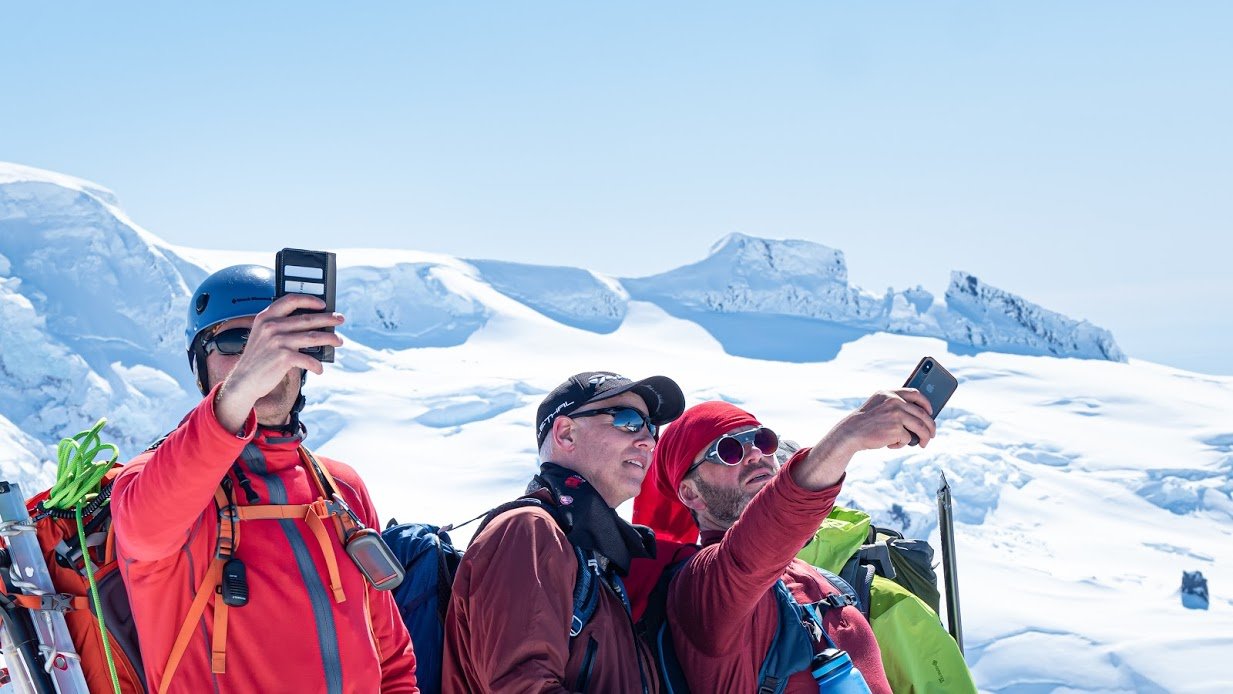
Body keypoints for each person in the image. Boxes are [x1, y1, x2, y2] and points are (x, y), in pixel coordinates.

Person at [112, 264, 418, 693]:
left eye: (279, 341)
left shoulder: (340, 488)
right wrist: (240, 391)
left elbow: (390, 657)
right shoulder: (152, 480)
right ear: (200, 368)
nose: (262, 359)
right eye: (237, 342)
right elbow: (143, 530)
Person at [632, 392, 939, 693]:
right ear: (691, 494)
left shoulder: (818, 580)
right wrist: (849, 435)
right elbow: (769, 529)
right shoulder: (701, 585)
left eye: (761, 440)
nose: (754, 453)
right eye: (727, 451)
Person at [443, 371, 685, 693]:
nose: (648, 440)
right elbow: (523, 686)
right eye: (628, 421)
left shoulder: (588, 555)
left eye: (651, 428)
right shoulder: (529, 531)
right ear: (566, 434)